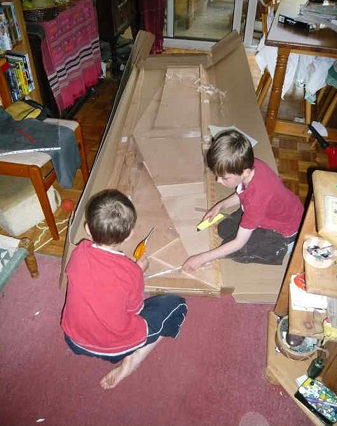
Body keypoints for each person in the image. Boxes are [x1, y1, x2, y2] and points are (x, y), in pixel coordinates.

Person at [61, 189, 187, 390]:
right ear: (130, 235)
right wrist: (138, 270)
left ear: (87, 229)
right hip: (115, 348)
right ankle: (132, 360)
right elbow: (135, 310)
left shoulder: (79, 252)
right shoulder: (131, 272)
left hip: (74, 339)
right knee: (177, 305)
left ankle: (128, 354)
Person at [183, 130, 304, 271]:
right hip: (269, 211)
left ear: (245, 172)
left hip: (283, 232)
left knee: (236, 250)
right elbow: (242, 192)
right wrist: (220, 206)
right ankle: (256, 229)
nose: (218, 181)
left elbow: (239, 242)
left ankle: (286, 246)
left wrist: (202, 258)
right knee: (223, 229)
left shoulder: (256, 200)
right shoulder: (251, 166)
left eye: (224, 178)